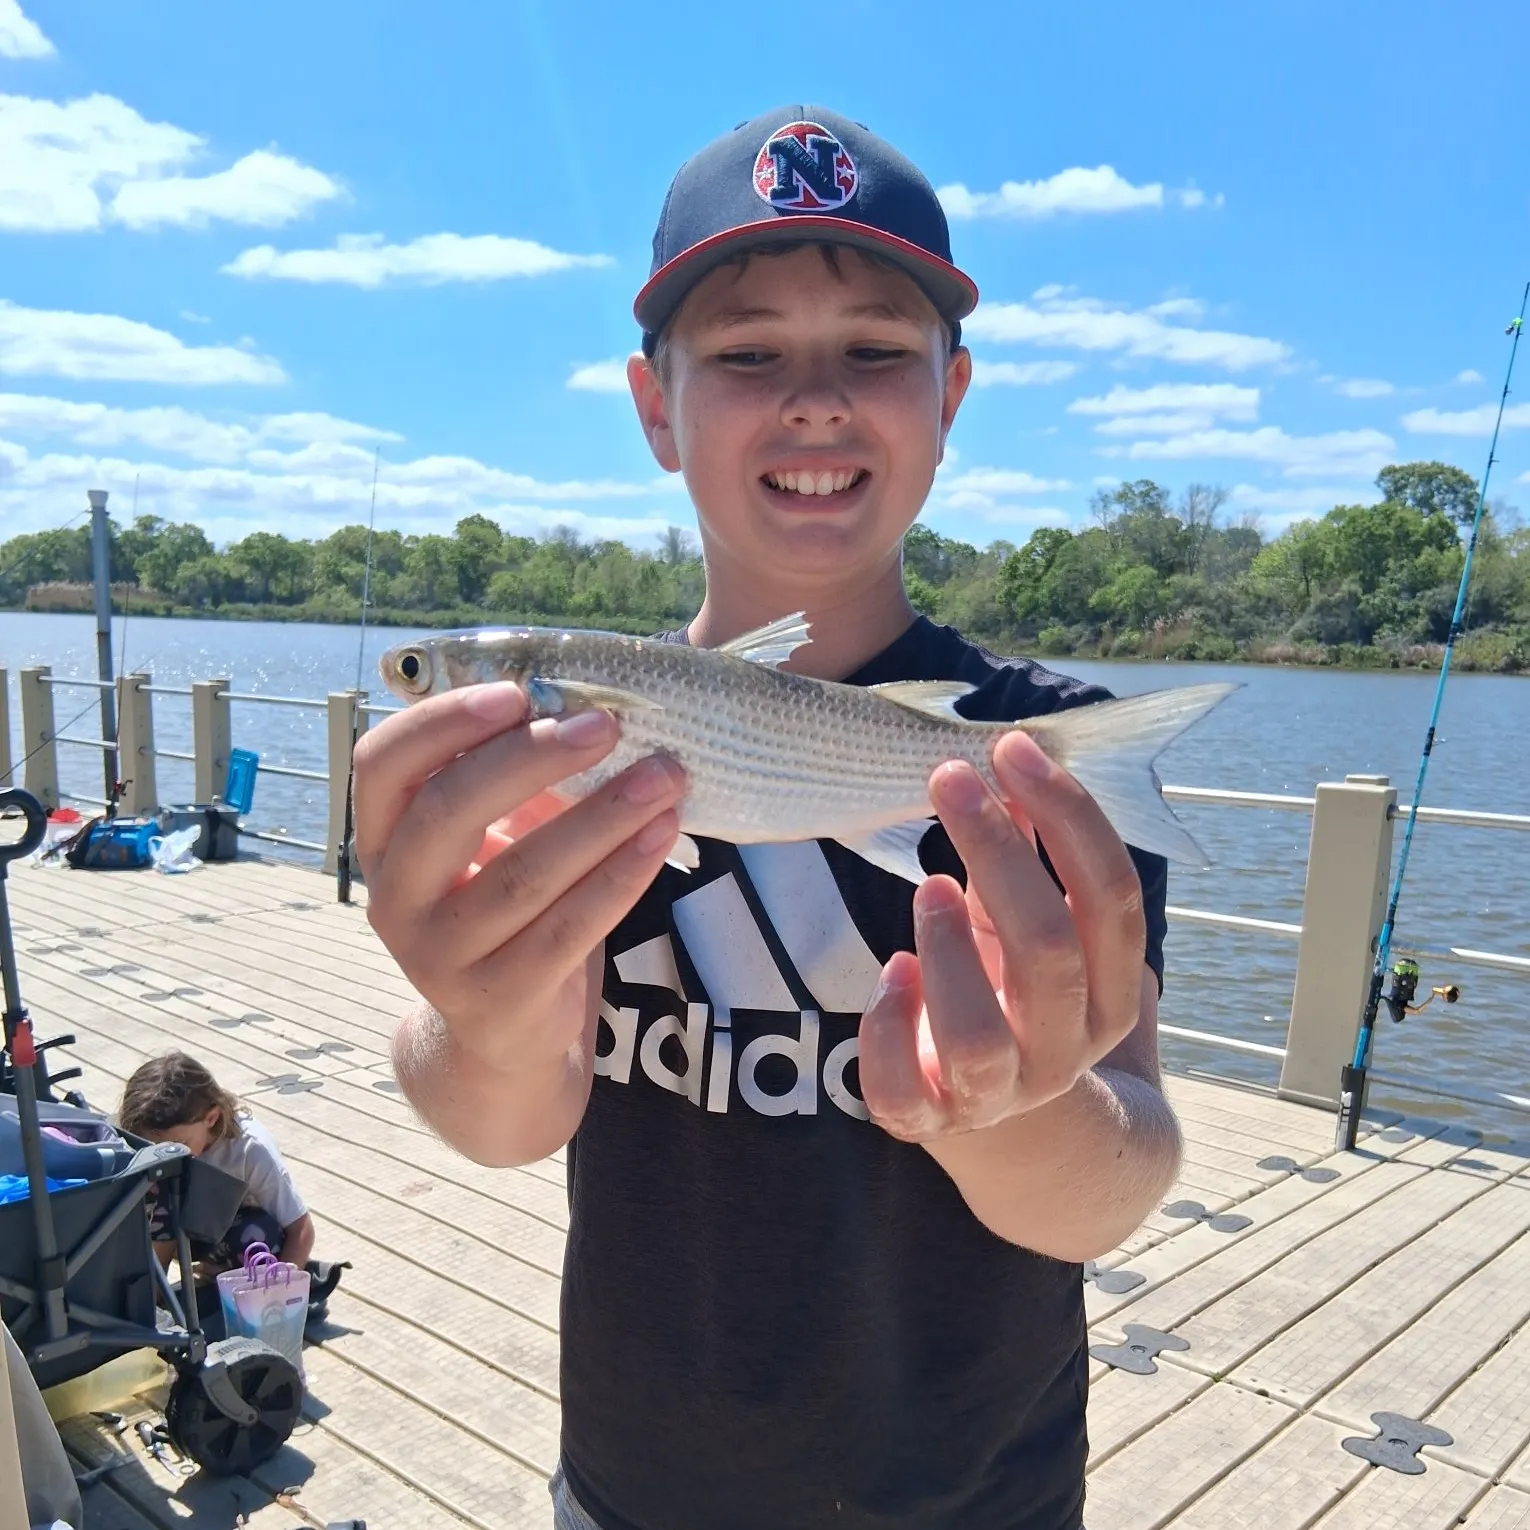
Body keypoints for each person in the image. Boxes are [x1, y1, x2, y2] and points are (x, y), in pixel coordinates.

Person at [354, 105, 1183, 1530]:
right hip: (637, 1489)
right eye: (746, 354)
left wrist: (1006, 1106)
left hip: (979, 1494)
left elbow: (1116, 1180)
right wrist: (481, 1017)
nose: (814, 397)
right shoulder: (540, 767)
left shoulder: (1038, 752)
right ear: (655, 406)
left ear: (950, 398)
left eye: (873, 349)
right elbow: (495, 1118)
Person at [118, 1050, 315, 1274]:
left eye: (179, 1143)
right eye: (153, 1146)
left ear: (211, 1118)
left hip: (233, 1233)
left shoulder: (249, 1150)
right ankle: (152, 1290)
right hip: (178, 1227)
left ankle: (219, 1273)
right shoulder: (171, 1146)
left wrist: (283, 1287)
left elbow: (301, 1228)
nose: (166, 1153)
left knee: (260, 1235)